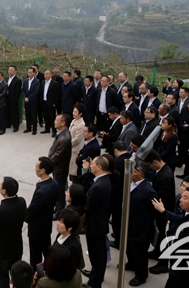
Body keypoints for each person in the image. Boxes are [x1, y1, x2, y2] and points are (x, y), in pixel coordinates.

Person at [152, 186, 189, 287]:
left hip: (184, 273)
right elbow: (180, 219)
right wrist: (164, 211)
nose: (180, 200)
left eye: (185, 197)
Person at [0, 176, 27, 288]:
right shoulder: (22, 202)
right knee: (17, 278)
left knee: (3, 280)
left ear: (4, 191)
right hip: (16, 247)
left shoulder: (0, 210)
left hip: (2, 251)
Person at [125, 163, 157, 286]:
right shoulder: (131, 184)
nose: (132, 173)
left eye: (135, 171)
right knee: (130, 247)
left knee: (140, 253)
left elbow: (154, 211)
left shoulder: (148, 191)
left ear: (142, 175)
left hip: (141, 228)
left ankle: (141, 275)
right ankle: (131, 263)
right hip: (130, 224)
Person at [26, 157, 60, 268]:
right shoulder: (54, 184)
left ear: (42, 170)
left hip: (37, 229)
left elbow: (32, 210)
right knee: (47, 252)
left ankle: (38, 275)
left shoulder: (42, 192)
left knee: (36, 258)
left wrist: (26, 217)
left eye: (36, 167)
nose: (35, 169)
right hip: (46, 226)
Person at [83, 156, 111, 288]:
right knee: (96, 254)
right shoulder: (103, 181)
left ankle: (95, 282)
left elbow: (87, 206)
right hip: (98, 223)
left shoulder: (99, 186)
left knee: (97, 254)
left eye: (93, 164)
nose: (90, 165)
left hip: (95, 225)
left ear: (99, 167)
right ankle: (95, 274)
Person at [143, 150, 175, 264]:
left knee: (160, 233)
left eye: (150, 165)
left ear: (155, 162)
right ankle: (157, 251)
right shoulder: (163, 170)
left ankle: (160, 256)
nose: (150, 168)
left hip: (162, 209)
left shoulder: (165, 176)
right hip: (162, 208)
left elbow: (162, 196)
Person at [48, 114, 71, 214]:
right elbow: (53, 148)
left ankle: (60, 210)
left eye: (56, 120)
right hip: (56, 167)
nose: (54, 122)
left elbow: (58, 155)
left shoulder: (65, 138)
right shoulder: (60, 133)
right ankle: (57, 207)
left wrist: (48, 162)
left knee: (59, 190)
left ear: (63, 123)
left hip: (60, 168)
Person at [53, 208, 84, 274]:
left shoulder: (73, 247)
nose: (57, 224)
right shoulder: (60, 235)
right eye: (58, 220)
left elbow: (72, 270)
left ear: (70, 228)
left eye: (61, 222)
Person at [68, 105, 85, 181]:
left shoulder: (81, 124)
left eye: (75, 112)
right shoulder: (73, 121)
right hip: (70, 148)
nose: (73, 113)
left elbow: (77, 139)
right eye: (73, 111)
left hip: (76, 150)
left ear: (80, 114)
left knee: (74, 171)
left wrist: (67, 144)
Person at [23, 67, 40, 135]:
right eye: (28, 72)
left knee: (33, 115)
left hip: (33, 101)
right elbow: (23, 90)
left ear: (34, 73)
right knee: (27, 115)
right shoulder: (26, 80)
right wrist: (25, 97)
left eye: (30, 72)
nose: (29, 74)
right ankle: (28, 127)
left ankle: (34, 129)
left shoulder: (37, 81)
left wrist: (29, 98)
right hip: (26, 101)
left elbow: (36, 91)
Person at [6, 65, 22, 132]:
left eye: (12, 70)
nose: (10, 72)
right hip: (6, 98)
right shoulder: (6, 78)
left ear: (15, 71)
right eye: (9, 70)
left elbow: (18, 91)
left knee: (14, 113)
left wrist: (14, 99)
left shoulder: (17, 80)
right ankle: (8, 124)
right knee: (7, 112)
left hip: (13, 99)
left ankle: (16, 126)